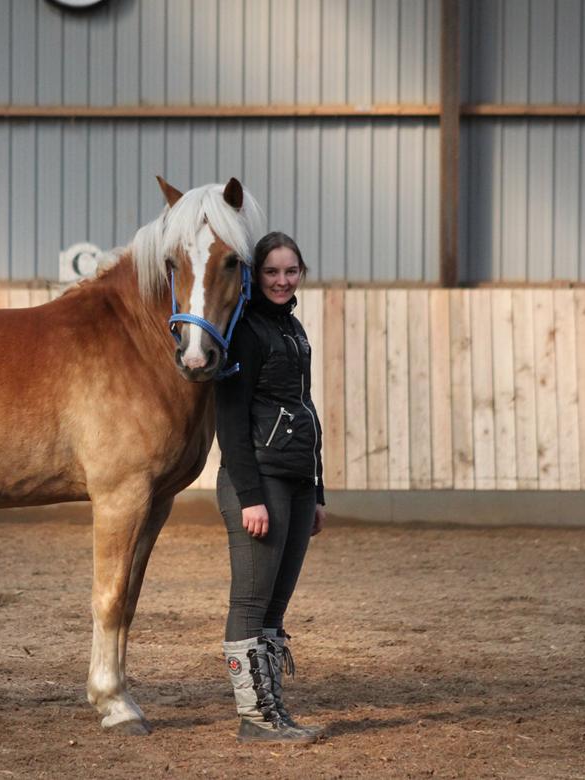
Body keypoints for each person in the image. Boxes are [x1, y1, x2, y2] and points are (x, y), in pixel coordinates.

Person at [215, 231, 326, 743]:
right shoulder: (245, 331)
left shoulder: (294, 329)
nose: (282, 280)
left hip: (296, 481)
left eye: (291, 271)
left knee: (274, 609)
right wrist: (250, 496)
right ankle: (255, 720)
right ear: (254, 277)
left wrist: (317, 489)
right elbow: (231, 418)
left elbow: (304, 410)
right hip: (259, 480)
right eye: (272, 272)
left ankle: (271, 710)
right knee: (251, 602)